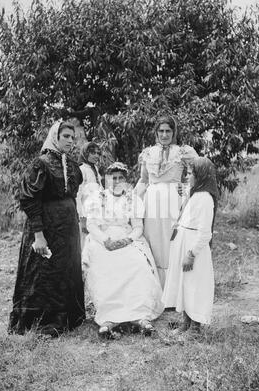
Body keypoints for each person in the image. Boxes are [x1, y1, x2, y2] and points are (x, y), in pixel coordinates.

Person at [8, 120, 86, 337]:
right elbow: (30, 200)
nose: (70, 141)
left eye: (73, 137)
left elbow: (72, 194)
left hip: (67, 229)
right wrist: (38, 236)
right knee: (44, 271)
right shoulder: (41, 164)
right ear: (55, 137)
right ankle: (43, 321)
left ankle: (66, 318)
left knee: (65, 270)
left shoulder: (71, 165)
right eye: (66, 137)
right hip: (46, 227)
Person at [82, 162, 164, 337]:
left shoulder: (132, 199)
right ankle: (109, 320)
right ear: (106, 179)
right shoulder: (98, 198)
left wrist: (128, 239)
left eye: (121, 178)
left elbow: (137, 227)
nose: (117, 181)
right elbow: (92, 225)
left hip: (127, 239)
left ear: (126, 181)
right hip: (103, 240)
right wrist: (105, 241)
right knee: (106, 266)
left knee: (138, 265)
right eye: (113, 178)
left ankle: (140, 318)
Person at [136, 115, 198, 288]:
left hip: (173, 201)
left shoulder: (183, 152)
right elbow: (143, 180)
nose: (164, 135)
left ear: (174, 132)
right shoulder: (148, 153)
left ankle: (174, 289)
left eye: (168, 131)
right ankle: (157, 288)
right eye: (161, 131)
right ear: (156, 133)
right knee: (154, 240)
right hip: (152, 202)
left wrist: (185, 188)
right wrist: (132, 200)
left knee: (172, 239)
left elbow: (199, 173)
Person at [162, 157, 219, 334]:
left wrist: (191, 254)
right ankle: (185, 322)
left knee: (195, 285)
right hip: (184, 241)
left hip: (193, 247)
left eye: (190, 173)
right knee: (184, 283)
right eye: (187, 173)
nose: (187, 177)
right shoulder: (196, 193)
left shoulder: (205, 198)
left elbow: (205, 233)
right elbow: (187, 209)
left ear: (201, 175)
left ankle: (195, 327)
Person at [76, 142, 103, 248]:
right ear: (85, 154)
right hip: (86, 212)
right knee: (85, 240)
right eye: (93, 153)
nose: (96, 155)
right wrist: (82, 218)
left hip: (96, 210)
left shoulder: (94, 169)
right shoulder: (82, 169)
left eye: (98, 153)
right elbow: (78, 194)